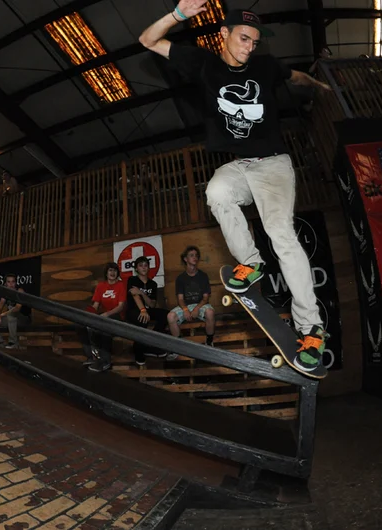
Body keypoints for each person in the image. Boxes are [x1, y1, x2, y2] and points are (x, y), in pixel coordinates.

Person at [139, 3, 330, 375]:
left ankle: (311, 329)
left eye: (254, 42)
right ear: (223, 35)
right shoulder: (203, 63)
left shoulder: (265, 65)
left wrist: (315, 81)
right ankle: (252, 263)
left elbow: (293, 75)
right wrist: (178, 14)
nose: (248, 48)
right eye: (243, 39)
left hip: (273, 163)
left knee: (281, 234)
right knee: (217, 192)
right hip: (240, 166)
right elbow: (147, 40)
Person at [126, 256, 174, 365]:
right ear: (136, 268)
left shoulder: (153, 284)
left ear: (148, 268)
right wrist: (143, 310)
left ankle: (150, 343)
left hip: (148, 310)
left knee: (166, 315)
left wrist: (142, 292)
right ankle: (138, 350)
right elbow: (134, 295)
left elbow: (152, 304)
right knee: (143, 319)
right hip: (134, 310)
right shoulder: (132, 280)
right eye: (140, 265)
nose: (143, 268)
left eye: (145, 265)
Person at [166, 246, 216, 346]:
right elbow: (180, 299)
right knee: (170, 316)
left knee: (210, 312)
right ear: (185, 259)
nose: (195, 258)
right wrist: (185, 309)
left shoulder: (203, 275)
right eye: (191, 255)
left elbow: (206, 297)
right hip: (186, 306)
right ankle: (179, 345)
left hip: (200, 305)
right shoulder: (181, 278)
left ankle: (209, 341)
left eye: (196, 255)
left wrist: (197, 308)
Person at [82, 263, 126, 372]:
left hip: (117, 316)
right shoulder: (101, 286)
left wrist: (107, 314)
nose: (112, 273)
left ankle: (106, 361)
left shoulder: (121, 285)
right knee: (80, 324)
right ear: (106, 273)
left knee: (105, 326)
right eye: (110, 270)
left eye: (115, 271)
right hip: (103, 316)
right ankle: (92, 357)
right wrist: (89, 314)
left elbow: (120, 307)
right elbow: (95, 306)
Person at [0, 273, 32, 349]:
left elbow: (17, 308)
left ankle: (13, 342)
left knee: (11, 314)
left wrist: (2, 314)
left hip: (24, 319)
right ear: (5, 283)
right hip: (11, 320)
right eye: (9, 282)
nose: (11, 284)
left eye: (13, 282)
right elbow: (0, 306)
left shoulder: (20, 291)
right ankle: (0, 342)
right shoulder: (5, 293)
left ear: (16, 283)